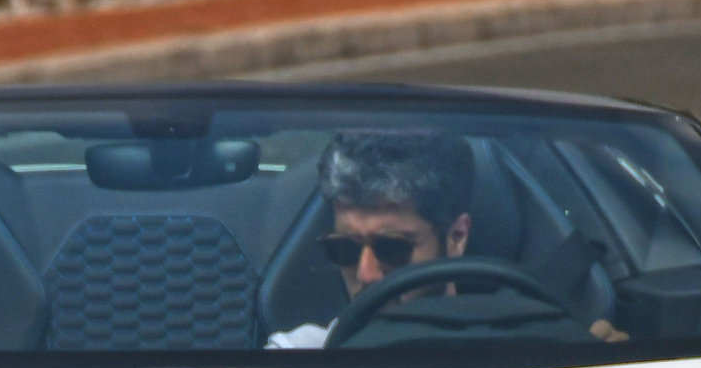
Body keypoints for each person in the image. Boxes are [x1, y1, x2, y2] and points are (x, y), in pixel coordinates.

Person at [266, 130, 625, 347]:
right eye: (342, 249)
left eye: (393, 247)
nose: (366, 274)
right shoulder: (302, 356)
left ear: (456, 237)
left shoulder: (540, 345)